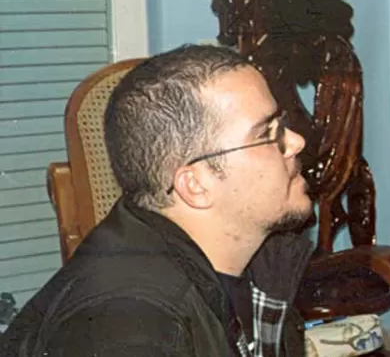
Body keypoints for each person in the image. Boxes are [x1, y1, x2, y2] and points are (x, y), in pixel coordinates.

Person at [1, 45, 314, 356]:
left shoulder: (263, 260)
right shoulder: (131, 332)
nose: (296, 142)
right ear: (195, 185)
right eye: (266, 134)